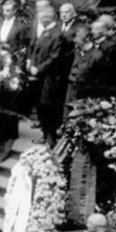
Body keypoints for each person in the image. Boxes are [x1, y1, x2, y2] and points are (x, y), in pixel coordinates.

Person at [27, 8, 68, 146]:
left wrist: (38, 69)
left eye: (42, 17)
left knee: (48, 107)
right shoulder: (45, 32)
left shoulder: (57, 34)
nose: (40, 20)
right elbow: (35, 50)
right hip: (39, 77)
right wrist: (32, 64)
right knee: (41, 107)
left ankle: (51, 137)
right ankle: (45, 134)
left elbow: (54, 57)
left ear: (49, 18)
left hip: (50, 77)